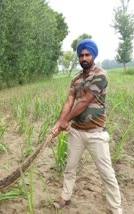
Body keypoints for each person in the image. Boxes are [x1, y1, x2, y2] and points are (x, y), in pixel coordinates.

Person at [51, 39, 122, 214]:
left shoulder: (100, 75)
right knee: (70, 168)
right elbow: (69, 101)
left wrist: (63, 122)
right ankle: (65, 197)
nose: (84, 58)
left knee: (107, 173)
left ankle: (116, 208)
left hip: (96, 133)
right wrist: (59, 122)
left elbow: (83, 102)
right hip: (76, 132)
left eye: (87, 54)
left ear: (93, 55)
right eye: (81, 55)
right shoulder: (75, 79)